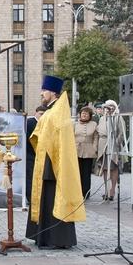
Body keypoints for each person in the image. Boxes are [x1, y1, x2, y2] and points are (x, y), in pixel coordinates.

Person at [28, 75, 84, 249]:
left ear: (52, 92)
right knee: (46, 199)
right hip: (46, 160)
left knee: (53, 198)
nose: (42, 94)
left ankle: (56, 239)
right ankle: (44, 237)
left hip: (52, 163)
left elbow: (56, 139)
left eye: (44, 90)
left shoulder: (57, 111)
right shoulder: (52, 110)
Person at [24, 105, 48, 239]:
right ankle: (30, 197)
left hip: (40, 156)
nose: (42, 116)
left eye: (44, 114)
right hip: (30, 156)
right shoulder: (30, 123)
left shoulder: (45, 123)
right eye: (40, 113)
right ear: (36, 113)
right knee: (30, 178)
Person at [96, 99, 123, 201]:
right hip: (103, 145)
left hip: (113, 145)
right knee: (105, 168)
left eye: (112, 106)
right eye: (107, 106)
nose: (109, 108)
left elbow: (121, 133)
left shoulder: (118, 118)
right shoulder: (102, 118)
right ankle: (106, 190)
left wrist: (116, 143)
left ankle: (112, 190)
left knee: (113, 167)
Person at [74, 107, 98, 200]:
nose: (84, 115)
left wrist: (94, 147)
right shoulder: (75, 124)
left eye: (86, 113)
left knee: (86, 173)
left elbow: (96, 137)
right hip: (76, 150)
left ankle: (86, 193)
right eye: (83, 113)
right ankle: (77, 192)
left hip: (88, 150)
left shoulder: (94, 124)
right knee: (77, 172)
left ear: (90, 116)